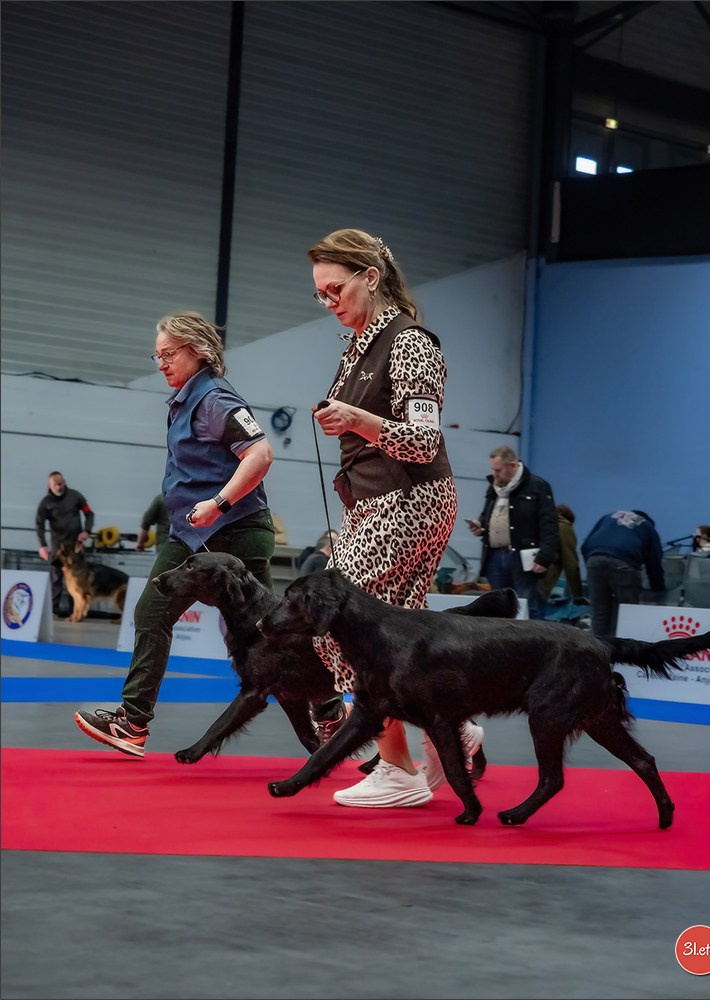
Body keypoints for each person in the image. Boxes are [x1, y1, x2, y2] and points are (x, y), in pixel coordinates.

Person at [74, 311, 332, 756]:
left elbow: (261, 454)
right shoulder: (187, 399)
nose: (160, 363)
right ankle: (328, 710)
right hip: (210, 530)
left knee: (154, 614)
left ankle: (133, 723)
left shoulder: (214, 398)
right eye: (156, 355)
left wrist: (218, 504)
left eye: (168, 354)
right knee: (270, 632)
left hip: (221, 530)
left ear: (198, 350)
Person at [307, 226, 483, 809]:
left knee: (335, 622)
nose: (328, 302)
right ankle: (453, 732)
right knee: (396, 637)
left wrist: (356, 420)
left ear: (370, 278)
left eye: (335, 290)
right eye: (320, 295)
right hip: (377, 503)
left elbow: (422, 441)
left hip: (410, 499)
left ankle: (398, 768)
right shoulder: (357, 345)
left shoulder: (411, 343)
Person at [467, 445, 559, 619]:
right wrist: (480, 524)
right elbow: (488, 513)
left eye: (498, 470)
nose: (495, 474)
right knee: (498, 607)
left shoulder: (538, 486)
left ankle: (532, 643)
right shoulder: (493, 488)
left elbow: (549, 524)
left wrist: (544, 557)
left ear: (512, 465)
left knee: (527, 606)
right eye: (493, 470)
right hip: (494, 556)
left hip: (524, 557)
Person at [581, 509, 667, 637]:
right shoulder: (649, 528)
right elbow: (654, 564)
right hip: (625, 564)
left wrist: (591, 564)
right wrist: (659, 590)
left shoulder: (608, 515)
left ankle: (597, 650)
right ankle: (621, 650)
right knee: (627, 612)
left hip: (595, 559)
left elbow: (585, 545)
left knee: (599, 610)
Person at [35, 471, 94, 617]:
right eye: (56, 484)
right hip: (57, 549)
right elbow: (39, 525)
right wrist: (42, 545)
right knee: (56, 579)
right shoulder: (46, 503)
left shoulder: (76, 496)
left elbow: (89, 514)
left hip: (76, 547)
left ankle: (75, 611)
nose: (59, 486)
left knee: (77, 580)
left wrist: (86, 531)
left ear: (65, 482)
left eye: (61, 483)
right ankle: (53, 611)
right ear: (50, 485)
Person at [537, 503, 587, 613]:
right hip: (542, 580)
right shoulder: (564, 527)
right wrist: (577, 594)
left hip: (522, 578)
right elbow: (571, 564)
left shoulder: (539, 524)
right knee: (535, 618)